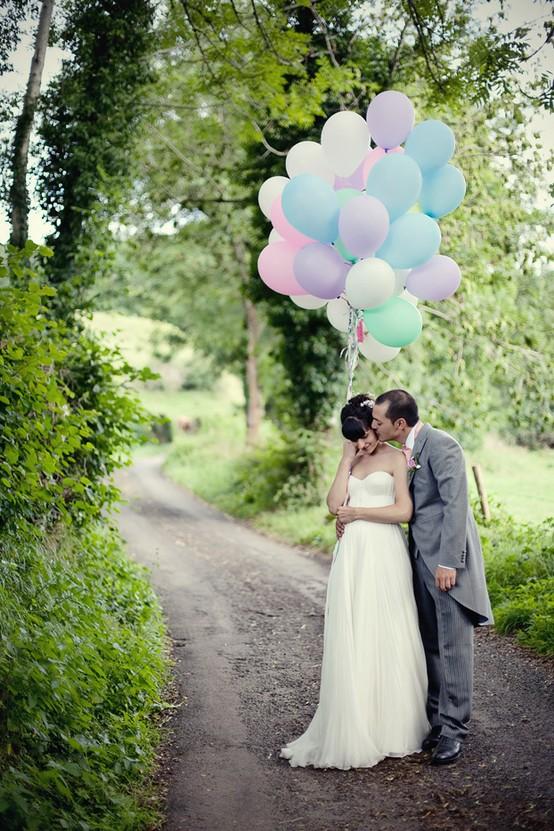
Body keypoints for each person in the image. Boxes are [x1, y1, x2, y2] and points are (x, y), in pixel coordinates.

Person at [279, 393, 430, 770]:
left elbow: (404, 511)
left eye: (366, 435)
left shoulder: (396, 458)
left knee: (387, 629)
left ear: (374, 426)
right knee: (354, 632)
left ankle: (391, 726)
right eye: (356, 439)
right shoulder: (352, 458)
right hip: (352, 557)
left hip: (385, 552)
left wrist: (357, 511)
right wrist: (346, 462)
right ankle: (355, 722)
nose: (364, 443)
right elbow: (333, 504)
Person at [368, 389, 493, 766]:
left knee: (454, 647)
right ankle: (438, 721)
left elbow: (456, 507)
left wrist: (450, 563)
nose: (375, 426)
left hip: (443, 563)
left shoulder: (443, 446)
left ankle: (455, 732)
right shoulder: (399, 451)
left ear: (399, 423)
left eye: (379, 421)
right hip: (417, 558)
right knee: (430, 645)